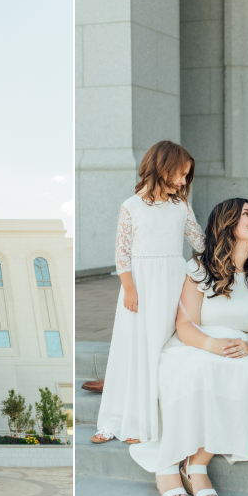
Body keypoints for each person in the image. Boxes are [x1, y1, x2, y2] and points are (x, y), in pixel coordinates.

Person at [129, 198, 248, 496]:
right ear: (226, 224)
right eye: (245, 214)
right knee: (195, 369)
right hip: (197, 342)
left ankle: (198, 462)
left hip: (242, 346)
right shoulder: (198, 269)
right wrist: (211, 345)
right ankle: (167, 462)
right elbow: (185, 325)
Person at [92, 140, 203, 466]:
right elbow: (121, 252)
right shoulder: (132, 206)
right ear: (162, 168)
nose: (184, 182)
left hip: (171, 282)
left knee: (158, 349)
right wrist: (129, 288)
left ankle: (144, 421)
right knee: (133, 349)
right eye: (181, 174)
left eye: (186, 176)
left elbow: (198, 241)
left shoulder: (181, 207)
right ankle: (114, 419)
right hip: (139, 285)